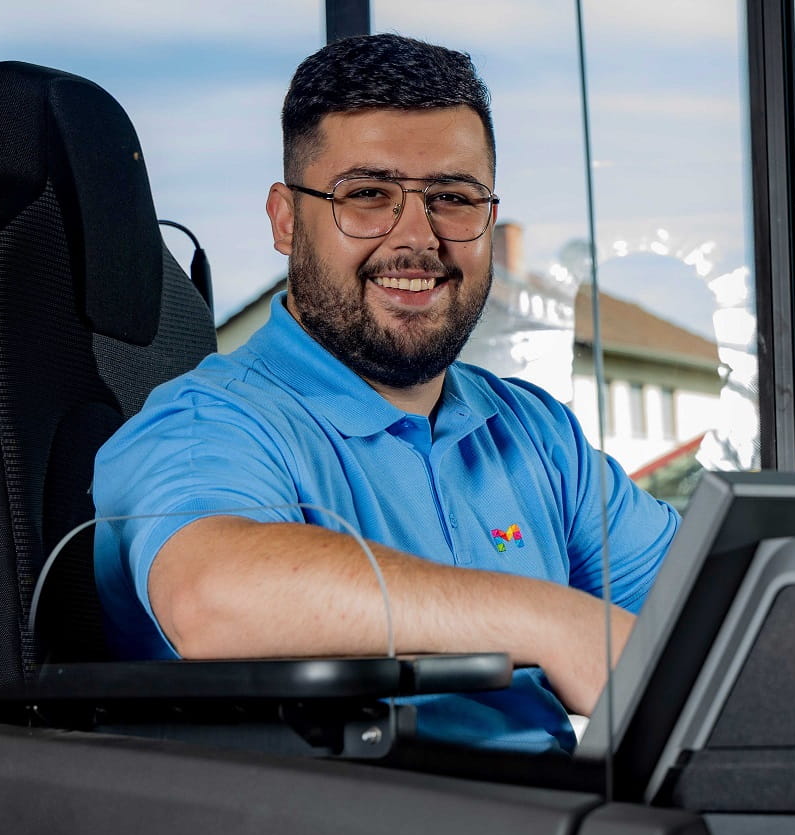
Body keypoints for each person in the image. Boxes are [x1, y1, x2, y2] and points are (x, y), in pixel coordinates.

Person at [93, 33, 679, 753]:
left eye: (453, 198)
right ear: (285, 220)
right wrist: (549, 621)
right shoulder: (208, 425)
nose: (418, 238)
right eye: (367, 195)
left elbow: (705, 608)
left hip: (560, 821)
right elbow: (209, 599)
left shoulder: (534, 434)